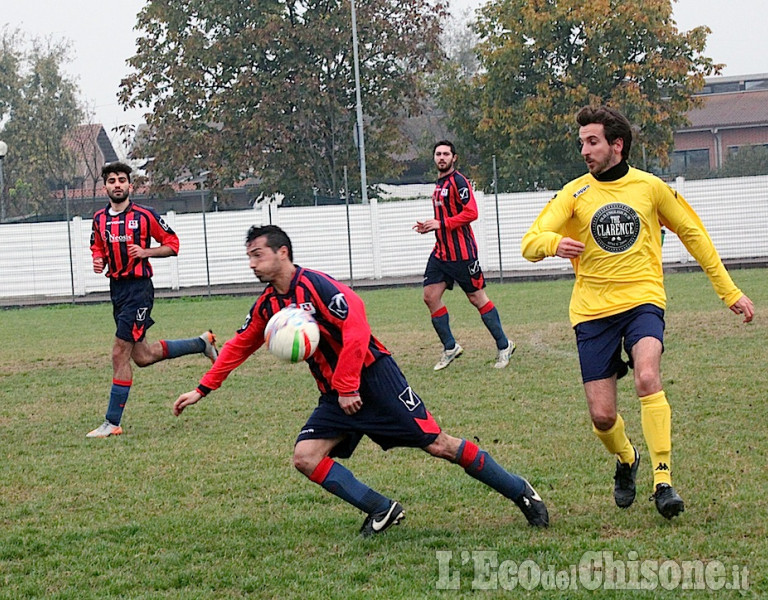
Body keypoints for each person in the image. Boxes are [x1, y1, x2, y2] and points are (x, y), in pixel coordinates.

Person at [173, 225, 549, 535]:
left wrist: (349, 384)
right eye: (249, 256)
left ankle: (520, 491)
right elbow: (239, 345)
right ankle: (382, 508)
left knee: (439, 445)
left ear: (282, 252)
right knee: (305, 458)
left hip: (374, 379)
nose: (252, 263)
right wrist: (202, 388)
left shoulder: (318, 286)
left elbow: (356, 327)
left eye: (258, 254)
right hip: (335, 394)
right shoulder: (269, 305)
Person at [521, 106, 755, 519]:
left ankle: (662, 480)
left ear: (617, 145)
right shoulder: (574, 193)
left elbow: (692, 232)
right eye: (581, 143)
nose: (584, 151)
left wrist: (728, 291)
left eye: (592, 142)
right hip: (592, 313)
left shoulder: (650, 187)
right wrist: (552, 245)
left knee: (648, 376)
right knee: (602, 415)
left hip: (643, 301)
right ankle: (627, 458)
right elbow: (530, 241)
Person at [87, 162, 219, 438]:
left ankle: (112, 422)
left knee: (118, 353)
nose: (117, 185)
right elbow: (97, 245)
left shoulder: (145, 216)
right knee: (143, 356)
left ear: (130, 186)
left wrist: (146, 252)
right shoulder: (99, 219)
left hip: (139, 290)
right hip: (117, 290)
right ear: (105, 187)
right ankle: (201, 343)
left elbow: (173, 244)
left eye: (122, 180)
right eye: (112, 181)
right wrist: (98, 260)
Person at [413, 140, 515, 371]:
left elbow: (472, 212)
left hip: (462, 255)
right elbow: (442, 218)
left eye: (446, 154)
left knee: (477, 299)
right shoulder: (439, 184)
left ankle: (504, 344)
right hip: (441, 253)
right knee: (430, 296)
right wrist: (429, 226)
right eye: (438, 154)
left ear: (454, 158)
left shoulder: (459, 181)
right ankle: (450, 347)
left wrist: (441, 223)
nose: (441, 157)